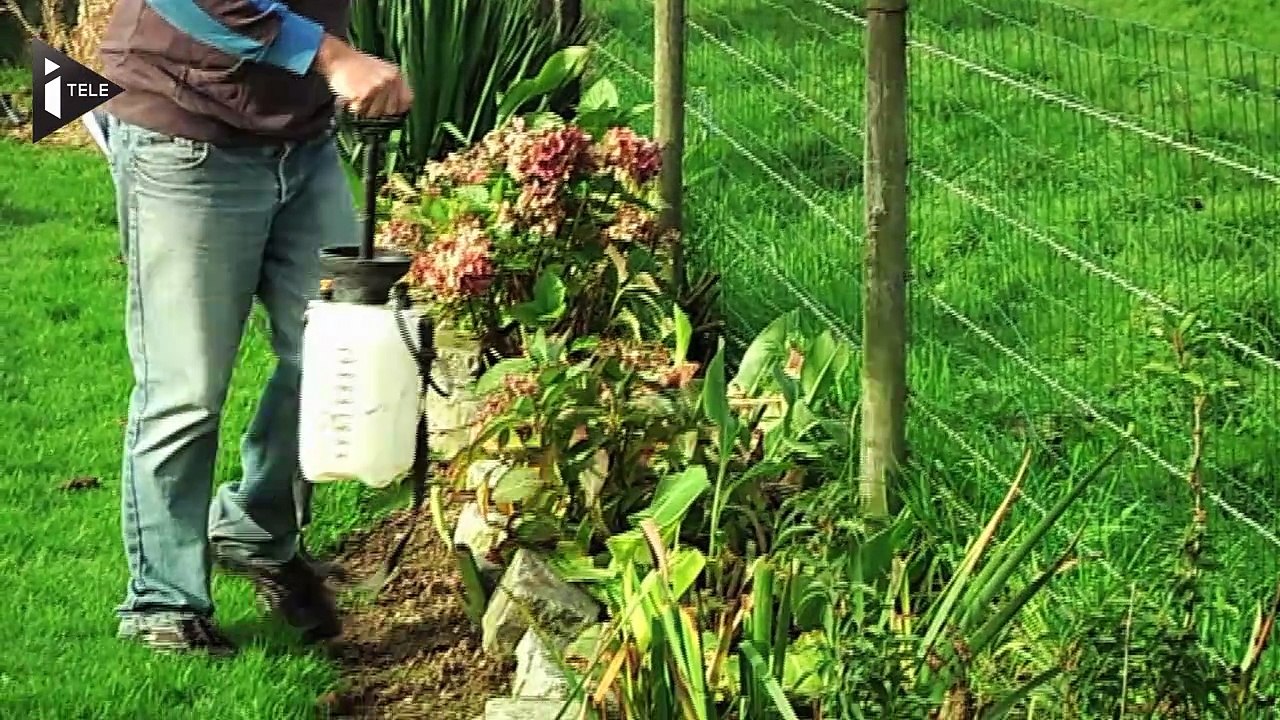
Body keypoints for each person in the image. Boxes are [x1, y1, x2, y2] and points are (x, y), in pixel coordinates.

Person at [96, 0, 413, 655]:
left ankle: (256, 530)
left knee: (334, 354)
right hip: (184, 129)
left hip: (300, 140)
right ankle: (163, 602)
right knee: (186, 389)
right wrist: (335, 57)